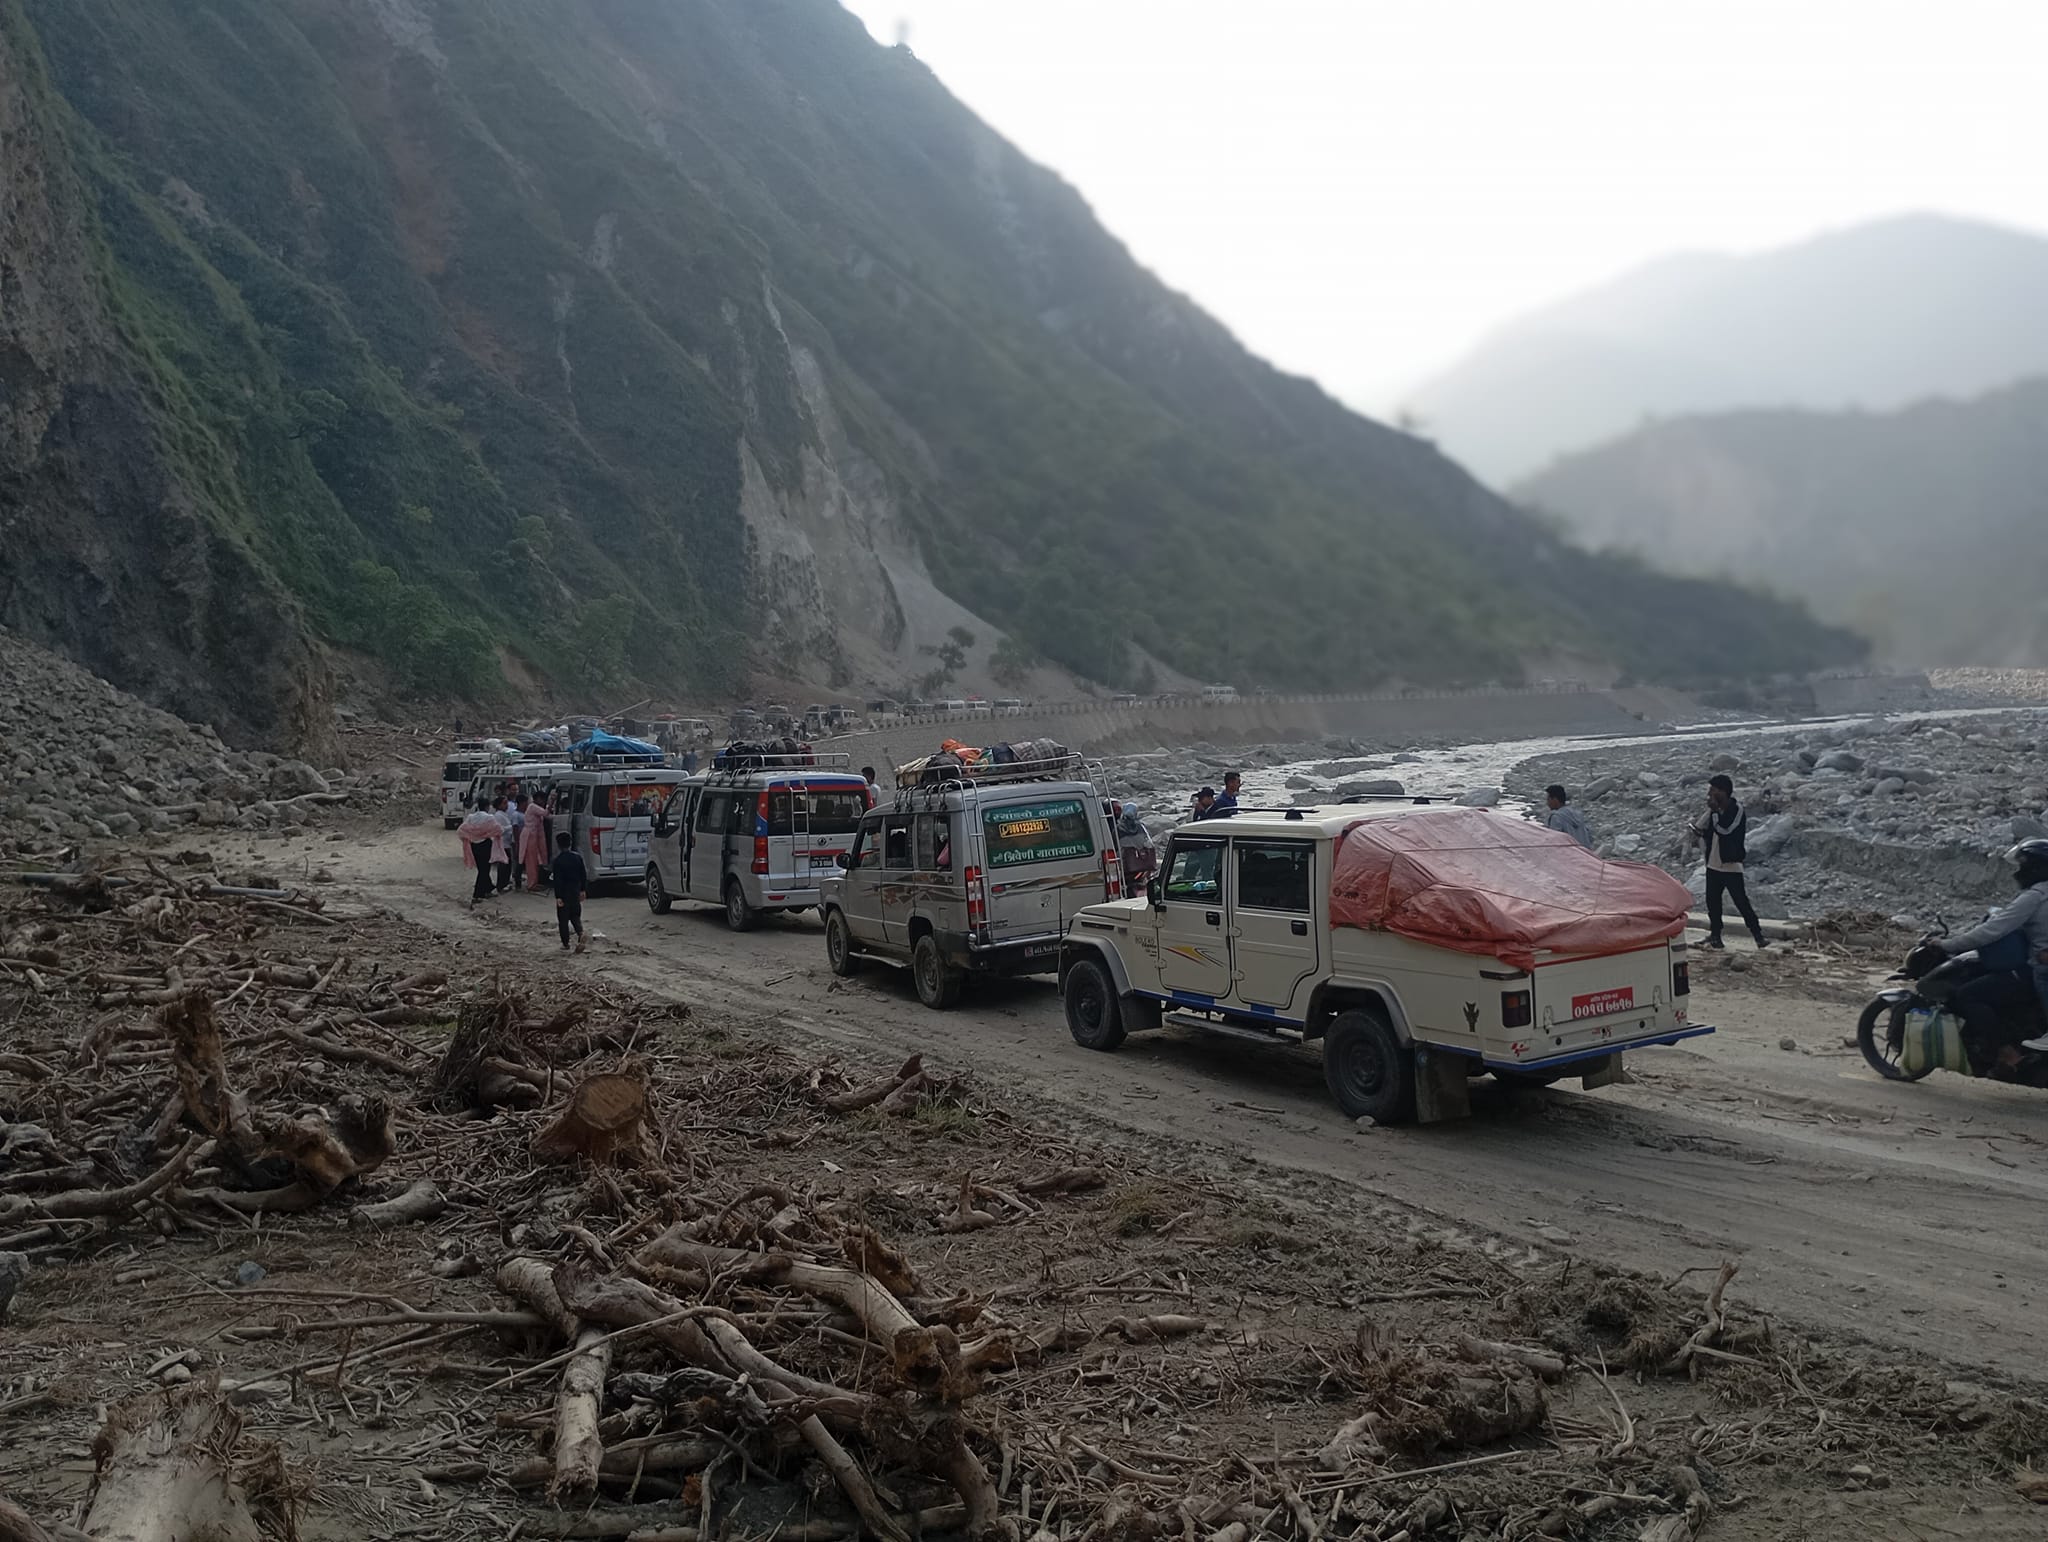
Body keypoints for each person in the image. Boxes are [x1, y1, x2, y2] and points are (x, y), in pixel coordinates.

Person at [1939, 839, 2048, 1063]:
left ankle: (2007, 1053)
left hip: (2038, 968)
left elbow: (1992, 931)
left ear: (2036, 868)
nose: (2018, 872)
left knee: (1968, 995)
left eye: (2023, 866)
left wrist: (1947, 944)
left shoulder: (2035, 897)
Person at [1689, 774, 1768, 951]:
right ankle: (1715, 936)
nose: (1709, 794)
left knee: (1741, 901)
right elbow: (1705, 831)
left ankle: (1758, 935)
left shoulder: (1736, 809)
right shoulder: (1713, 811)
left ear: (1722, 792)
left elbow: (1726, 830)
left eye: (1713, 790)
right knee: (1713, 902)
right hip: (1713, 864)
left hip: (1731, 864)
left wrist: (1716, 813)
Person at [551, 830, 589, 953]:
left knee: (563, 919)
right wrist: (583, 889)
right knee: (575, 915)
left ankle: (566, 943)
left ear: (558, 844)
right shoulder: (577, 857)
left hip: (564, 893)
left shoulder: (558, 861)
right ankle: (580, 932)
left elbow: (558, 880)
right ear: (570, 843)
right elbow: (583, 874)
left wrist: (558, 897)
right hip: (575, 891)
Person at [457, 804, 501, 907]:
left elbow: (461, 831)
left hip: (474, 845)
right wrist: (485, 834)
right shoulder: (489, 817)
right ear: (487, 807)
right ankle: (477, 894)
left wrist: (473, 836)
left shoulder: (471, 817)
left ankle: (488, 888)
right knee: (484, 870)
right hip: (485, 844)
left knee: (482, 868)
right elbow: (498, 829)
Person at [1115, 802, 1156, 888]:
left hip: (1125, 866)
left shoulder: (1117, 829)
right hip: (1141, 863)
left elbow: (1113, 846)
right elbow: (1149, 843)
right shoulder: (1141, 827)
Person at [518, 793, 551, 891]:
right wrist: (552, 802)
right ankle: (531, 884)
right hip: (529, 835)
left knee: (535, 861)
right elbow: (546, 813)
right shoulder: (532, 807)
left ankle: (534, 882)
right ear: (538, 799)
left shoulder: (535, 807)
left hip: (534, 836)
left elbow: (548, 816)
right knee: (531, 861)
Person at [491, 795, 516, 893]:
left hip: (507, 842)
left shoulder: (503, 814)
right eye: (504, 803)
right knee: (503, 866)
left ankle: (505, 883)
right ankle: (501, 885)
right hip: (502, 843)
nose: (506, 805)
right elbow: (500, 829)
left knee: (507, 865)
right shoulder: (498, 816)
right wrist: (511, 827)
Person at [506, 795, 528, 891]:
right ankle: (517, 883)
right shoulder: (516, 815)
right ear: (523, 803)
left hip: (524, 841)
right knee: (518, 862)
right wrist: (518, 843)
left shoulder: (524, 814)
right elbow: (515, 829)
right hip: (518, 841)